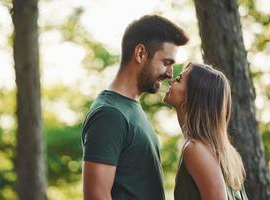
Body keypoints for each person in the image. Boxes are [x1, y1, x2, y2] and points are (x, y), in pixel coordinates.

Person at [81, 15, 189, 200]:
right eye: (166, 62)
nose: (170, 73)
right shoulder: (110, 114)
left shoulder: (131, 108)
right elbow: (96, 196)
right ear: (140, 54)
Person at [163, 63, 248, 200]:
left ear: (192, 96)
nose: (171, 80)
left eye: (178, 79)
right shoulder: (219, 152)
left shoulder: (195, 149)